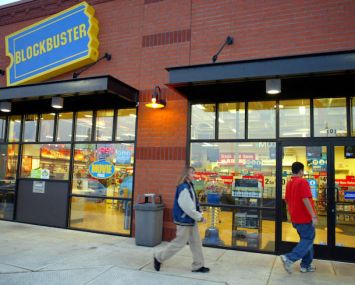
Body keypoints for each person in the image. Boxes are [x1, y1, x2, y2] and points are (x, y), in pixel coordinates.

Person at [153, 166, 210, 273]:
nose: (194, 175)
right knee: (179, 243)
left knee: (196, 243)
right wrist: (200, 217)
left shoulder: (189, 186)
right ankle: (158, 257)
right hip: (184, 221)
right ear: (186, 175)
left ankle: (198, 265)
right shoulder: (183, 188)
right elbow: (187, 207)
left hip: (190, 220)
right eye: (192, 173)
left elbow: (193, 203)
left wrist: (199, 212)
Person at [281, 162, 318, 274]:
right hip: (304, 218)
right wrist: (313, 215)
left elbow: (286, 200)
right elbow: (305, 199)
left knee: (306, 241)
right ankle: (289, 258)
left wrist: (292, 212)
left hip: (295, 218)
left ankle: (305, 265)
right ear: (301, 171)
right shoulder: (302, 181)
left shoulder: (289, 183)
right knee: (308, 239)